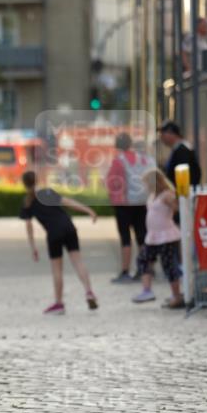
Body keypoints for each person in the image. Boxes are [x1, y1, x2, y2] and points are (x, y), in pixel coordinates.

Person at [20, 171, 98, 315]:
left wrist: (33, 248)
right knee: (78, 261)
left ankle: (59, 303)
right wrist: (88, 210)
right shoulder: (47, 193)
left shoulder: (27, 202)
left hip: (53, 233)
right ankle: (88, 291)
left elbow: (29, 226)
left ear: (24, 184)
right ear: (37, 180)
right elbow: (68, 203)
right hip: (68, 227)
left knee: (57, 269)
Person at [132, 169, 183, 309]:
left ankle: (176, 296)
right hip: (153, 236)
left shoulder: (166, 195)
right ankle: (147, 291)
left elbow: (178, 208)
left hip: (166, 236)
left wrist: (176, 200)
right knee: (142, 259)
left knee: (169, 266)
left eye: (147, 183)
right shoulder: (153, 195)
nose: (145, 186)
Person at [106, 132, 151, 283]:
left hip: (124, 204)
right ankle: (144, 269)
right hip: (141, 202)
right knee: (142, 236)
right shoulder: (142, 159)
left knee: (125, 238)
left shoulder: (118, 161)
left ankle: (125, 271)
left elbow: (113, 182)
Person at [159, 120, 201, 188]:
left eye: (163, 134)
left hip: (183, 192)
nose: (161, 137)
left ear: (171, 133)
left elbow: (184, 174)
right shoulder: (178, 149)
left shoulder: (182, 150)